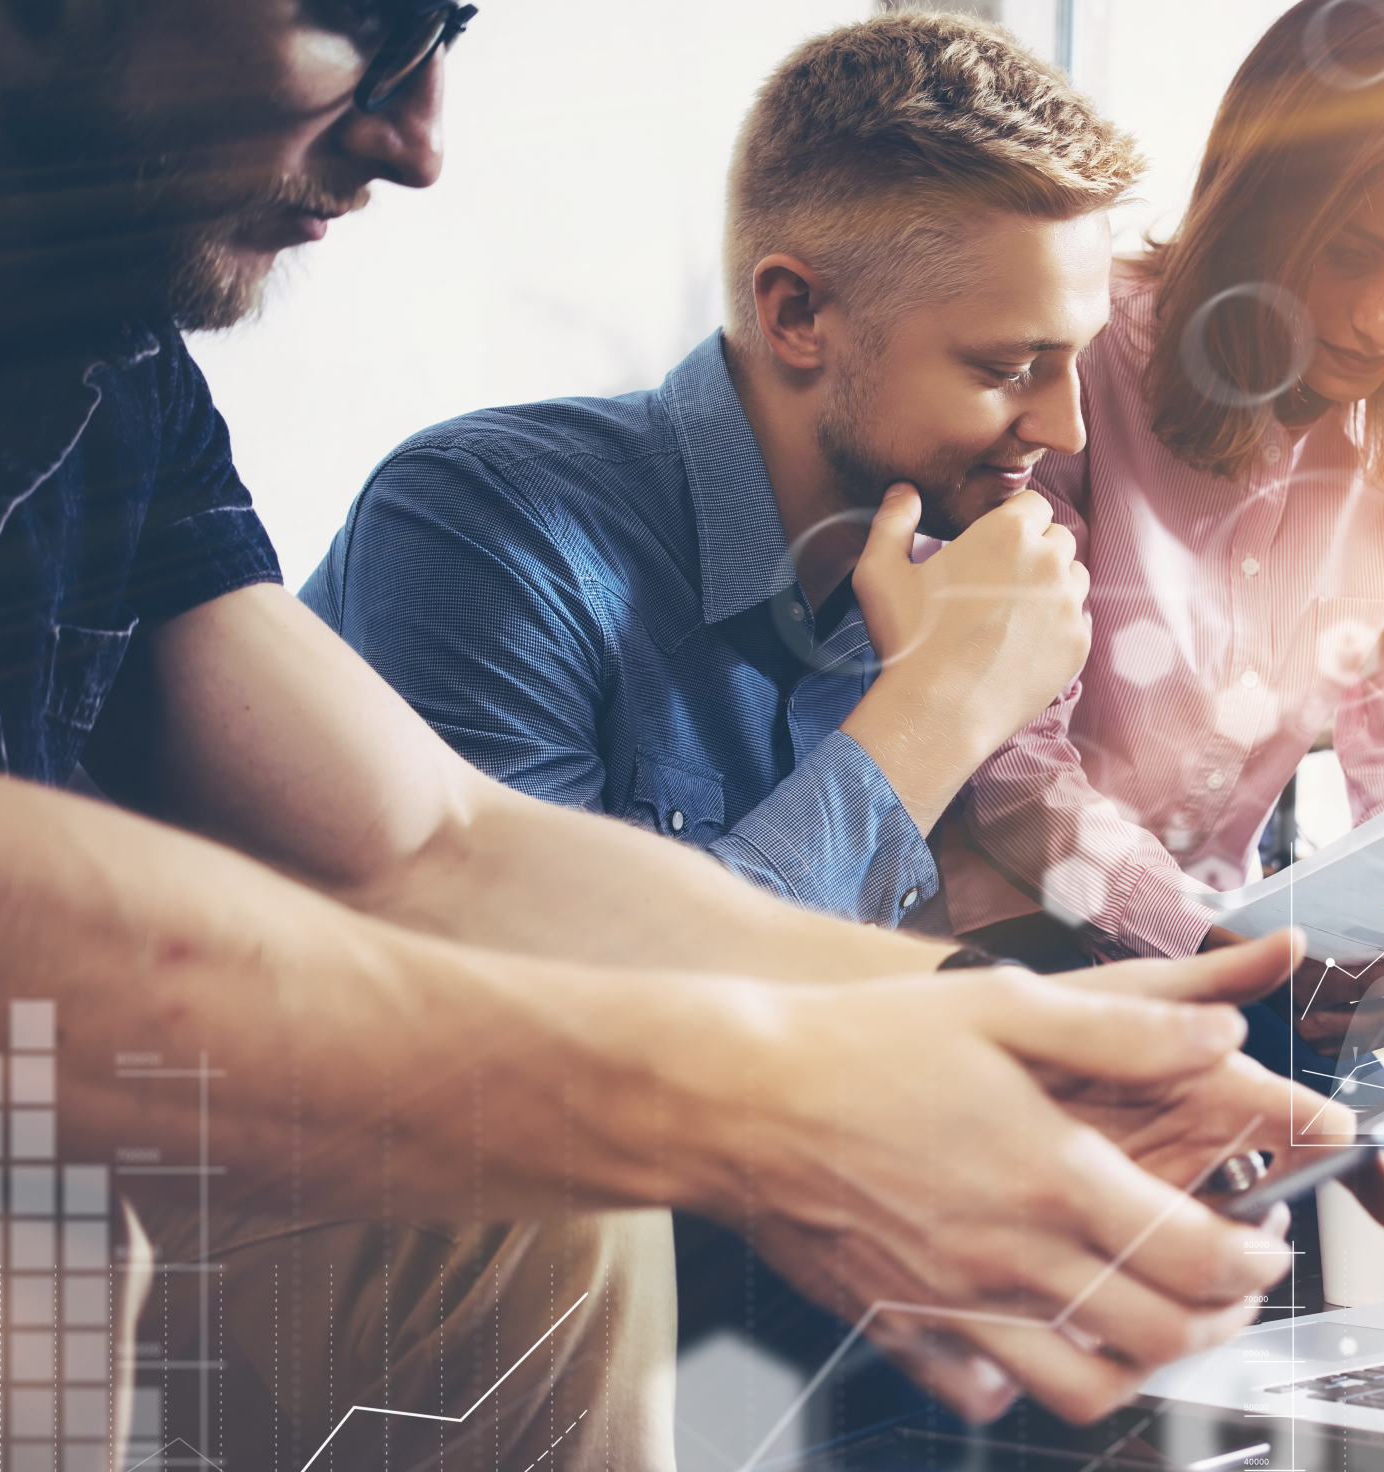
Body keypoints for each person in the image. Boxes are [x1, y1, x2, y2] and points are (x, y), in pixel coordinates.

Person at [0, 3, 1384, 1467]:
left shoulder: (112, 369)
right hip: (165, 1193)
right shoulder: (495, 518)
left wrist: (995, 1035)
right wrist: (922, 747)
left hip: (715, 1331)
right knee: (537, 1210)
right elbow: (477, 994)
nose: (422, 141)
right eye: (361, 18)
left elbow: (435, 837)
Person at [294, 9, 1193, 1419]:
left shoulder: (941, 568)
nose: (1069, 430)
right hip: (400, 1295)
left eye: (1072, 360)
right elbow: (549, 1068)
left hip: (759, 1336)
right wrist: (940, 712)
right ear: (796, 315)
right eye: (1007, 366)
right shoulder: (484, 526)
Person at [937, 0, 1384, 1075]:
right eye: (1348, 254)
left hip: (1214, 963)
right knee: (1284, 1162)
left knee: (1383, 1170)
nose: (1382, 318)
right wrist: (1232, 948)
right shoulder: (1077, 368)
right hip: (996, 948)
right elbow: (1009, 776)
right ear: (1261, 212)